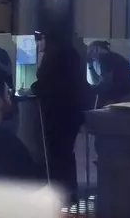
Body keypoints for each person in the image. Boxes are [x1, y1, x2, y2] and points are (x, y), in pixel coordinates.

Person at [30, 26, 89, 201]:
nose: (38, 42)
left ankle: (62, 193)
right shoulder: (69, 53)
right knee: (65, 153)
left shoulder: (56, 56)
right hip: (70, 113)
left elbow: (47, 84)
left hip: (59, 114)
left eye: (40, 38)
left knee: (57, 154)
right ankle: (69, 192)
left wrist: (33, 88)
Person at [87, 40, 130, 108]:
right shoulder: (113, 57)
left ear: (96, 49)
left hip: (126, 99)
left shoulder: (106, 58)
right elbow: (100, 81)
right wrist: (90, 65)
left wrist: (89, 89)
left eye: (90, 53)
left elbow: (105, 84)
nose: (91, 57)